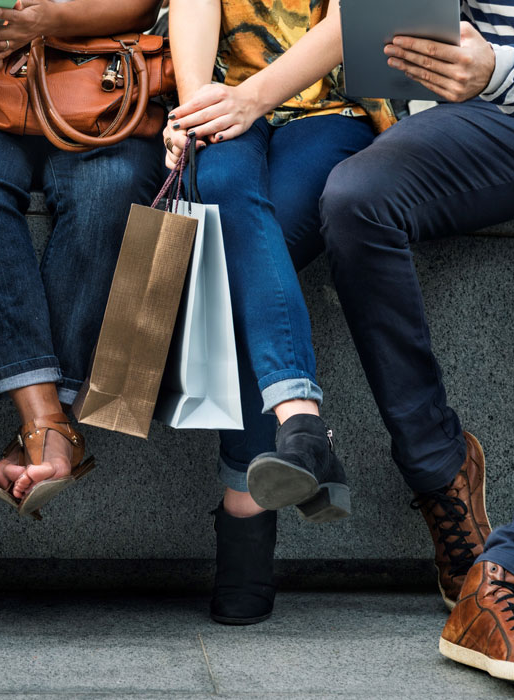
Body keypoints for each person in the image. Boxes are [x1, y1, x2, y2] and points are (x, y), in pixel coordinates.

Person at [319, 0, 514, 691]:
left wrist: (497, 67)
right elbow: (396, 24)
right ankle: (440, 470)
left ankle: (508, 577)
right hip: (483, 119)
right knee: (355, 197)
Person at [163, 0, 393, 625]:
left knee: (249, 248)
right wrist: (194, 110)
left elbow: (362, 21)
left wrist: (250, 100)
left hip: (333, 105)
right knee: (227, 195)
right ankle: (302, 427)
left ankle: (245, 505)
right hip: (223, 98)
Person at [0, 0, 165, 518]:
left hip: (109, 80)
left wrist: (50, 20)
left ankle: (42, 430)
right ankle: (48, 424)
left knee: (112, 190)